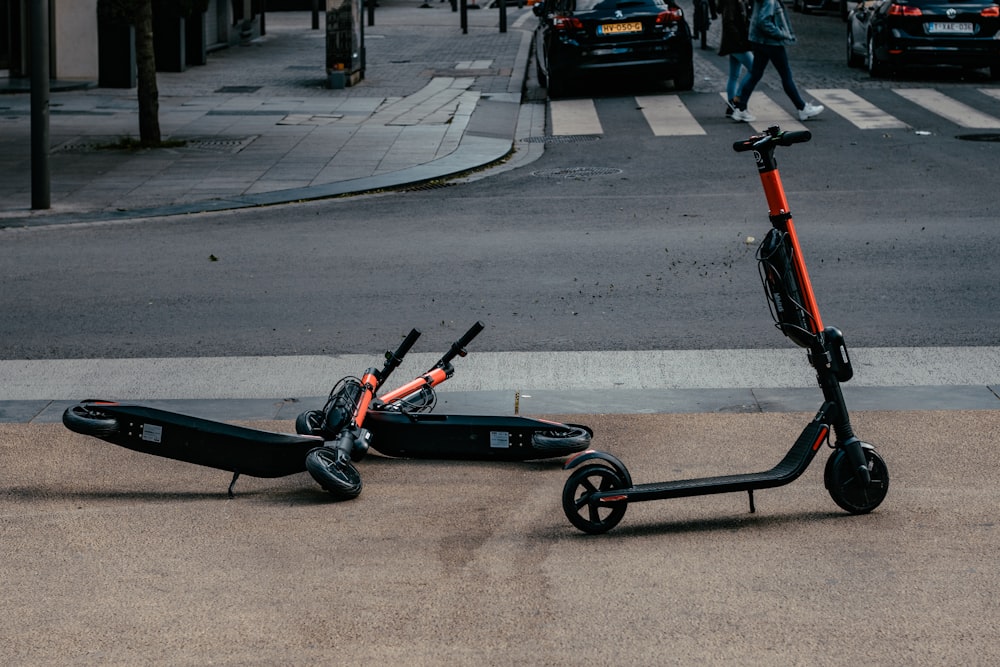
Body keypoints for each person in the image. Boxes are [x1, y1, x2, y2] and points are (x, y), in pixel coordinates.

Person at [730, 0, 823, 123]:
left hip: (759, 41)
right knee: (785, 75)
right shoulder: (770, 1)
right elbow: (764, 22)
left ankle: (741, 109)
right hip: (771, 43)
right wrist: (782, 34)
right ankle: (802, 108)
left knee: (755, 75)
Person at [717, 0, 753, 118]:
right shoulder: (731, 2)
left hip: (734, 42)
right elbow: (729, 22)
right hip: (737, 44)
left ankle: (731, 106)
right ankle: (737, 100)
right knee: (754, 69)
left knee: (734, 75)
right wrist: (740, 41)